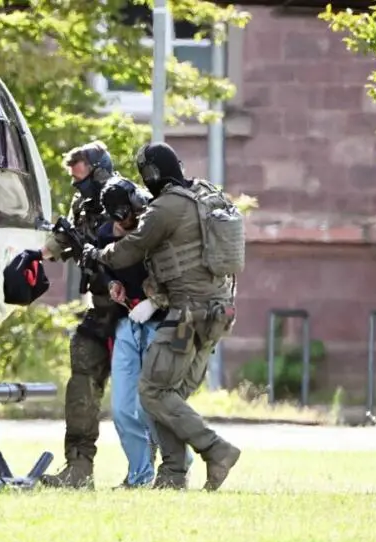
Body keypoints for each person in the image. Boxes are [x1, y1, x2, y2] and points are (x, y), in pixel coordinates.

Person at [83, 141, 243, 491]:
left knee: (152, 391)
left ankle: (216, 450)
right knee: (166, 394)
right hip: (218, 312)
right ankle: (172, 474)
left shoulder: (167, 207)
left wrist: (98, 253)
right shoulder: (205, 193)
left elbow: (132, 248)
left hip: (188, 314)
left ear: (152, 174)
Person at [97, 176, 193, 489]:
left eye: (132, 212)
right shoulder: (105, 235)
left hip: (162, 322)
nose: (129, 221)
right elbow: (103, 269)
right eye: (121, 216)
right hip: (126, 323)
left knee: (150, 403)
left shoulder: (156, 226)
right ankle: (139, 476)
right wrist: (111, 284)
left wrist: (153, 303)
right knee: (123, 409)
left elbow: (179, 276)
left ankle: (178, 462)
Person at [36, 140, 119, 489]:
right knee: (81, 384)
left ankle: (164, 469)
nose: (76, 184)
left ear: (99, 170)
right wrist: (35, 256)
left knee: (144, 397)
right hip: (100, 308)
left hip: (133, 310)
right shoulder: (81, 205)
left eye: (81, 176)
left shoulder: (127, 200)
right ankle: (78, 468)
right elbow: (62, 240)